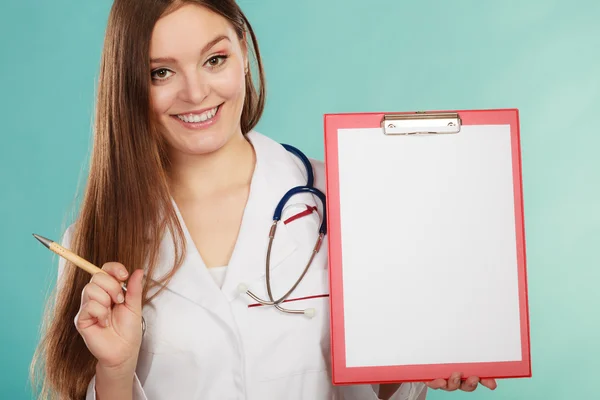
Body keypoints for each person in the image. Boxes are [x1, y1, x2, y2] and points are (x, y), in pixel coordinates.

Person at [31, 1, 498, 399]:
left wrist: (420, 363)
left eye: (214, 60)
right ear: (130, 85)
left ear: (244, 54)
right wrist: (114, 371)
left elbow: (379, 386)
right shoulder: (94, 241)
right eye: (161, 72)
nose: (196, 93)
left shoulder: (346, 195)